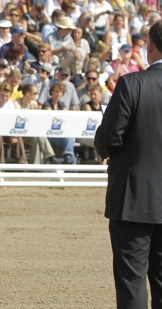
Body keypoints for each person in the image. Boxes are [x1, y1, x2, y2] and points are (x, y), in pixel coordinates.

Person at [95, 20, 162, 308]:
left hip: (134, 197)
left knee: (132, 280)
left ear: (151, 45)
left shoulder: (133, 83)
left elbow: (109, 137)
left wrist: (104, 147)